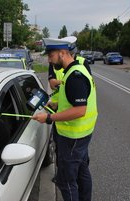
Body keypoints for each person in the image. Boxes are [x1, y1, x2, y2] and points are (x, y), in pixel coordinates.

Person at [32, 36, 98, 201]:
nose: (49, 59)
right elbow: (71, 102)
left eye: (51, 55)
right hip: (81, 135)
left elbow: (79, 110)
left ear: (62, 53)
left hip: (73, 138)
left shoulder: (75, 77)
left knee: (66, 181)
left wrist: (49, 117)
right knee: (82, 173)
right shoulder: (72, 72)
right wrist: (55, 105)